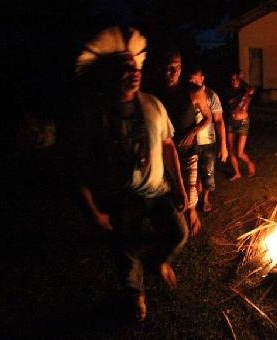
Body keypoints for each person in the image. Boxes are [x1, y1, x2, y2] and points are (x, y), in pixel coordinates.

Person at [69, 27, 189, 321]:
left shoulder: (152, 104)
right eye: (124, 67)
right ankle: (136, 297)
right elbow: (77, 168)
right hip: (121, 198)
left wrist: (180, 186)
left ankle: (160, 261)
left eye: (135, 66)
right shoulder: (94, 114)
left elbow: (168, 146)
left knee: (178, 233)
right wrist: (93, 210)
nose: (133, 71)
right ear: (108, 73)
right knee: (126, 251)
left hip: (157, 190)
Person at [156, 51, 212, 236]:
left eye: (176, 67)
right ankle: (174, 228)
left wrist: (193, 132)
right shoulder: (155, 93)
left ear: (181, 67)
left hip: (188, 152)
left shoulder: (194, 91)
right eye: (168, 67)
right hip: (163, 153)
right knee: (168, 191)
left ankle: (192, 218)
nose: (172, 71)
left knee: (189, 192)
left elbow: (208, 118)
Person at [189, 66, 228, 212]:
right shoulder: (187, 94)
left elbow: (218, 120)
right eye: (190, 79)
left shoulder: (211, 95)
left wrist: (223, 145)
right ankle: (195, 199)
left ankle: (205, 198)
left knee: (208, 173)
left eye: (195, 79)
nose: (192, 82)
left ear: (202, 78)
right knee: (194, 174)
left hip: (208, 142)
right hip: (191, 143)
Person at [224, 69, 256, 181]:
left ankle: (250, 164)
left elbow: (252, 90)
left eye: (236, 79)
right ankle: (237, 173)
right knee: (231, 149)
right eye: (232, 79)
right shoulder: (228, 91)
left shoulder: (245, 91)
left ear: (239, 79)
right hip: (231, 123)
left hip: (243, 122)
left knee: (240, 153)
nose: (233, 81)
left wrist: (242, 80)